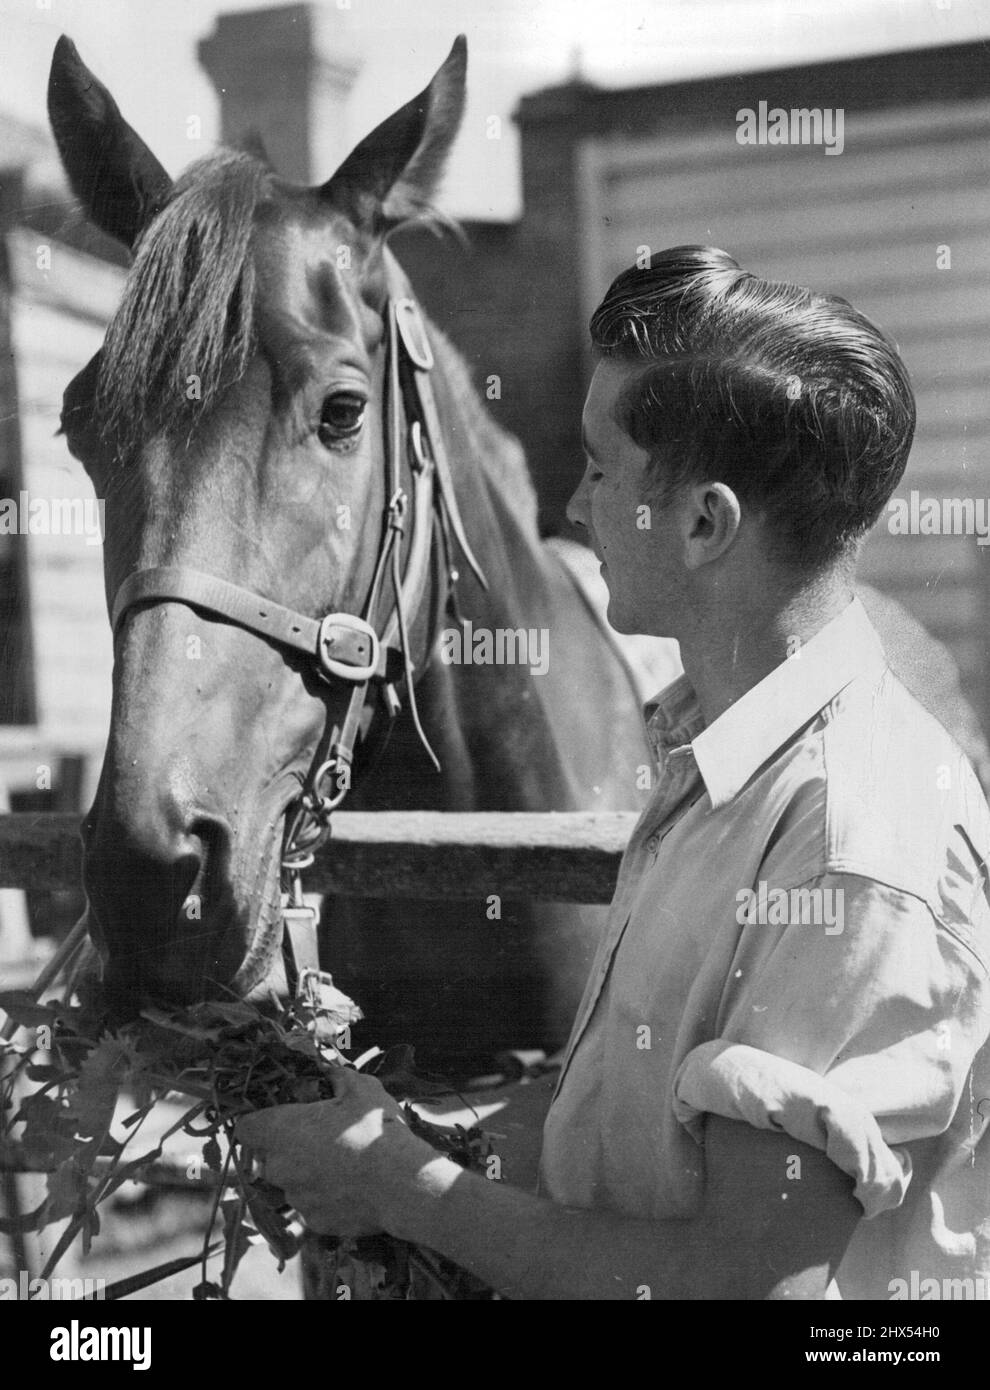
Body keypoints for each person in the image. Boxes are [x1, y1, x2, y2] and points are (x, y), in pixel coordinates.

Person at [238, 247, 990, 1300]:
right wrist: (423, 1137)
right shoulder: (723, 760)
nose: (577, 509)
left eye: (599, 469)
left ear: (703, 523)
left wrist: (403, 1192)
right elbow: (640, 1115)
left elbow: (738, 1291)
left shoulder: (852, 841)